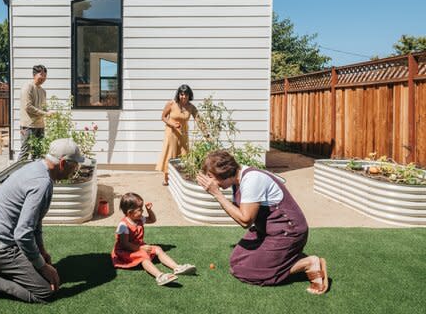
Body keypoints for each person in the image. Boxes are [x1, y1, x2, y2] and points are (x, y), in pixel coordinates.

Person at [0, 138, 86, 303]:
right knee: (45, 292)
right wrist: (42, 266)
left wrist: (41, 252)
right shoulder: (42, 184)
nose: (76, 169)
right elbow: (23, 234)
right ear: (62, 163)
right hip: (0, 249)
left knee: (40, 268)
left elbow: (34, 222)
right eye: (75, 165)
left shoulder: (35, 167)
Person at [196, 150, 329, 295]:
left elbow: (245, 220)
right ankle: (287, 258)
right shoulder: (238, 179)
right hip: (266, 230)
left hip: (288, 232)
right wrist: (217, 191)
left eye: (212, 177)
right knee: (236, 261)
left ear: (225, 172)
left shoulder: (252, 180)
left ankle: (308, 263)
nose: (212, 183)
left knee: (245, 271)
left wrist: (217, 194)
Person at [111, 192, 197, 286]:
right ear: (130, 212)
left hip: (138, 246)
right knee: (143, 257)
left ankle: (177, 267)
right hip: (125, 252)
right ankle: (159, 276)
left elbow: (152, 220)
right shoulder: (123, 226)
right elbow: (125, 244)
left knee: (158, 249)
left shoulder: (138, 219)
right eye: (140, 209)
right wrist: (140, 249)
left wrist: (149, 211)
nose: (142, 211)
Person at [156, 84, 204, 185]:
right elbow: (163, 117)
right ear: (178, 95)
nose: (183, 97)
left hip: (183, 134)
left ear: (189, 95)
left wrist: (206, 133)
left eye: (186, 95)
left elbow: (199, 120)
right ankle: (166, 178)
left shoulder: (191, 107)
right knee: (171, 153)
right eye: (181, 94)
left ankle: (181, 178)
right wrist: (172, 124)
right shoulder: (171, 104)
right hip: (171, 132)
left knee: (184, 155)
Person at [19, 64, 51, 160]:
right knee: (25, 151)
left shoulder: (43, 91)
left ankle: (34, 173)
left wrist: (49, 112)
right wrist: (45, 113)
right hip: (28, 126)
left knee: (38, 152)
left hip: (40, 125)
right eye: (41, 74)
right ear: (34, 75)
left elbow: (43, 108)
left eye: (45, 75)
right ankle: (19, 174)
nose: (43, 77)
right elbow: (28, 107)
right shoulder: (28, 87)